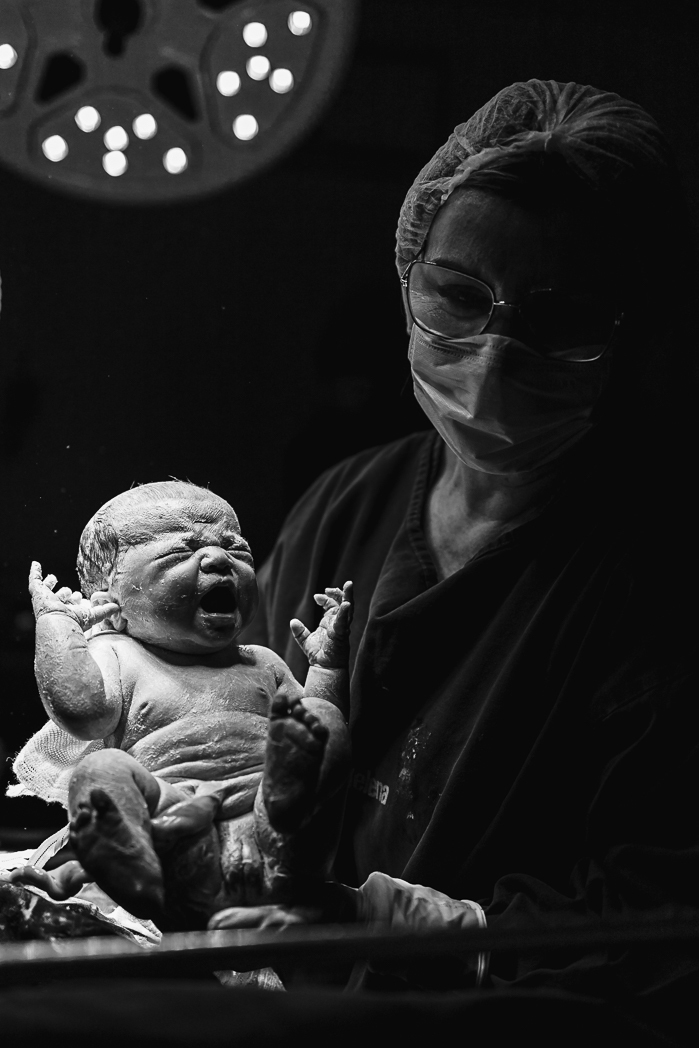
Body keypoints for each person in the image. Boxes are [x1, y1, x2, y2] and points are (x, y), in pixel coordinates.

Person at [211, 80, 699, 1033]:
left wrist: (396, 931)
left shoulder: (656, 574)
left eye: (558, 318)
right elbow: (228, 743)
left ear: (634, 329)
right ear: (408, 275)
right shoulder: (347, 505)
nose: (494, 351)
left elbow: (655, 924)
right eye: (459, 296)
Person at [7, 481, 353, 930]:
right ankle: (132, 867)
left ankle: (287, 802)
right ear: (109, 603)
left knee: (323, 719)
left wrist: (327, 669)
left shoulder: (262, 663)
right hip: (177, 834)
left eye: (236, 548)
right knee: (101, 772)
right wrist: (57, 623)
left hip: (279, 834)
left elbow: (318, 737)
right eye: (179, 552)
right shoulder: (120, 657)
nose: (218, 560)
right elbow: (80, 710)